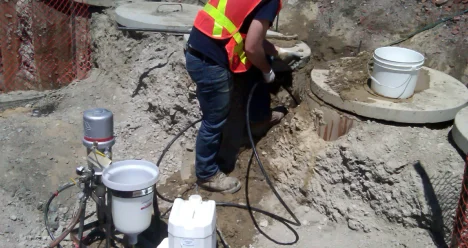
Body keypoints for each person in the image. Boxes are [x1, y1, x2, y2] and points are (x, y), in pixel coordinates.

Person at [185, 0, 301, 193]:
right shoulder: (270, 2)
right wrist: (267, 71)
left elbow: (242, 29)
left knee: (221, 111)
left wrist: (278, 52)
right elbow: (252, 47)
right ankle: (207, 175)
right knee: (214, 120)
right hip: (210, 63)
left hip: (200, 51)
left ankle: (257, 121)